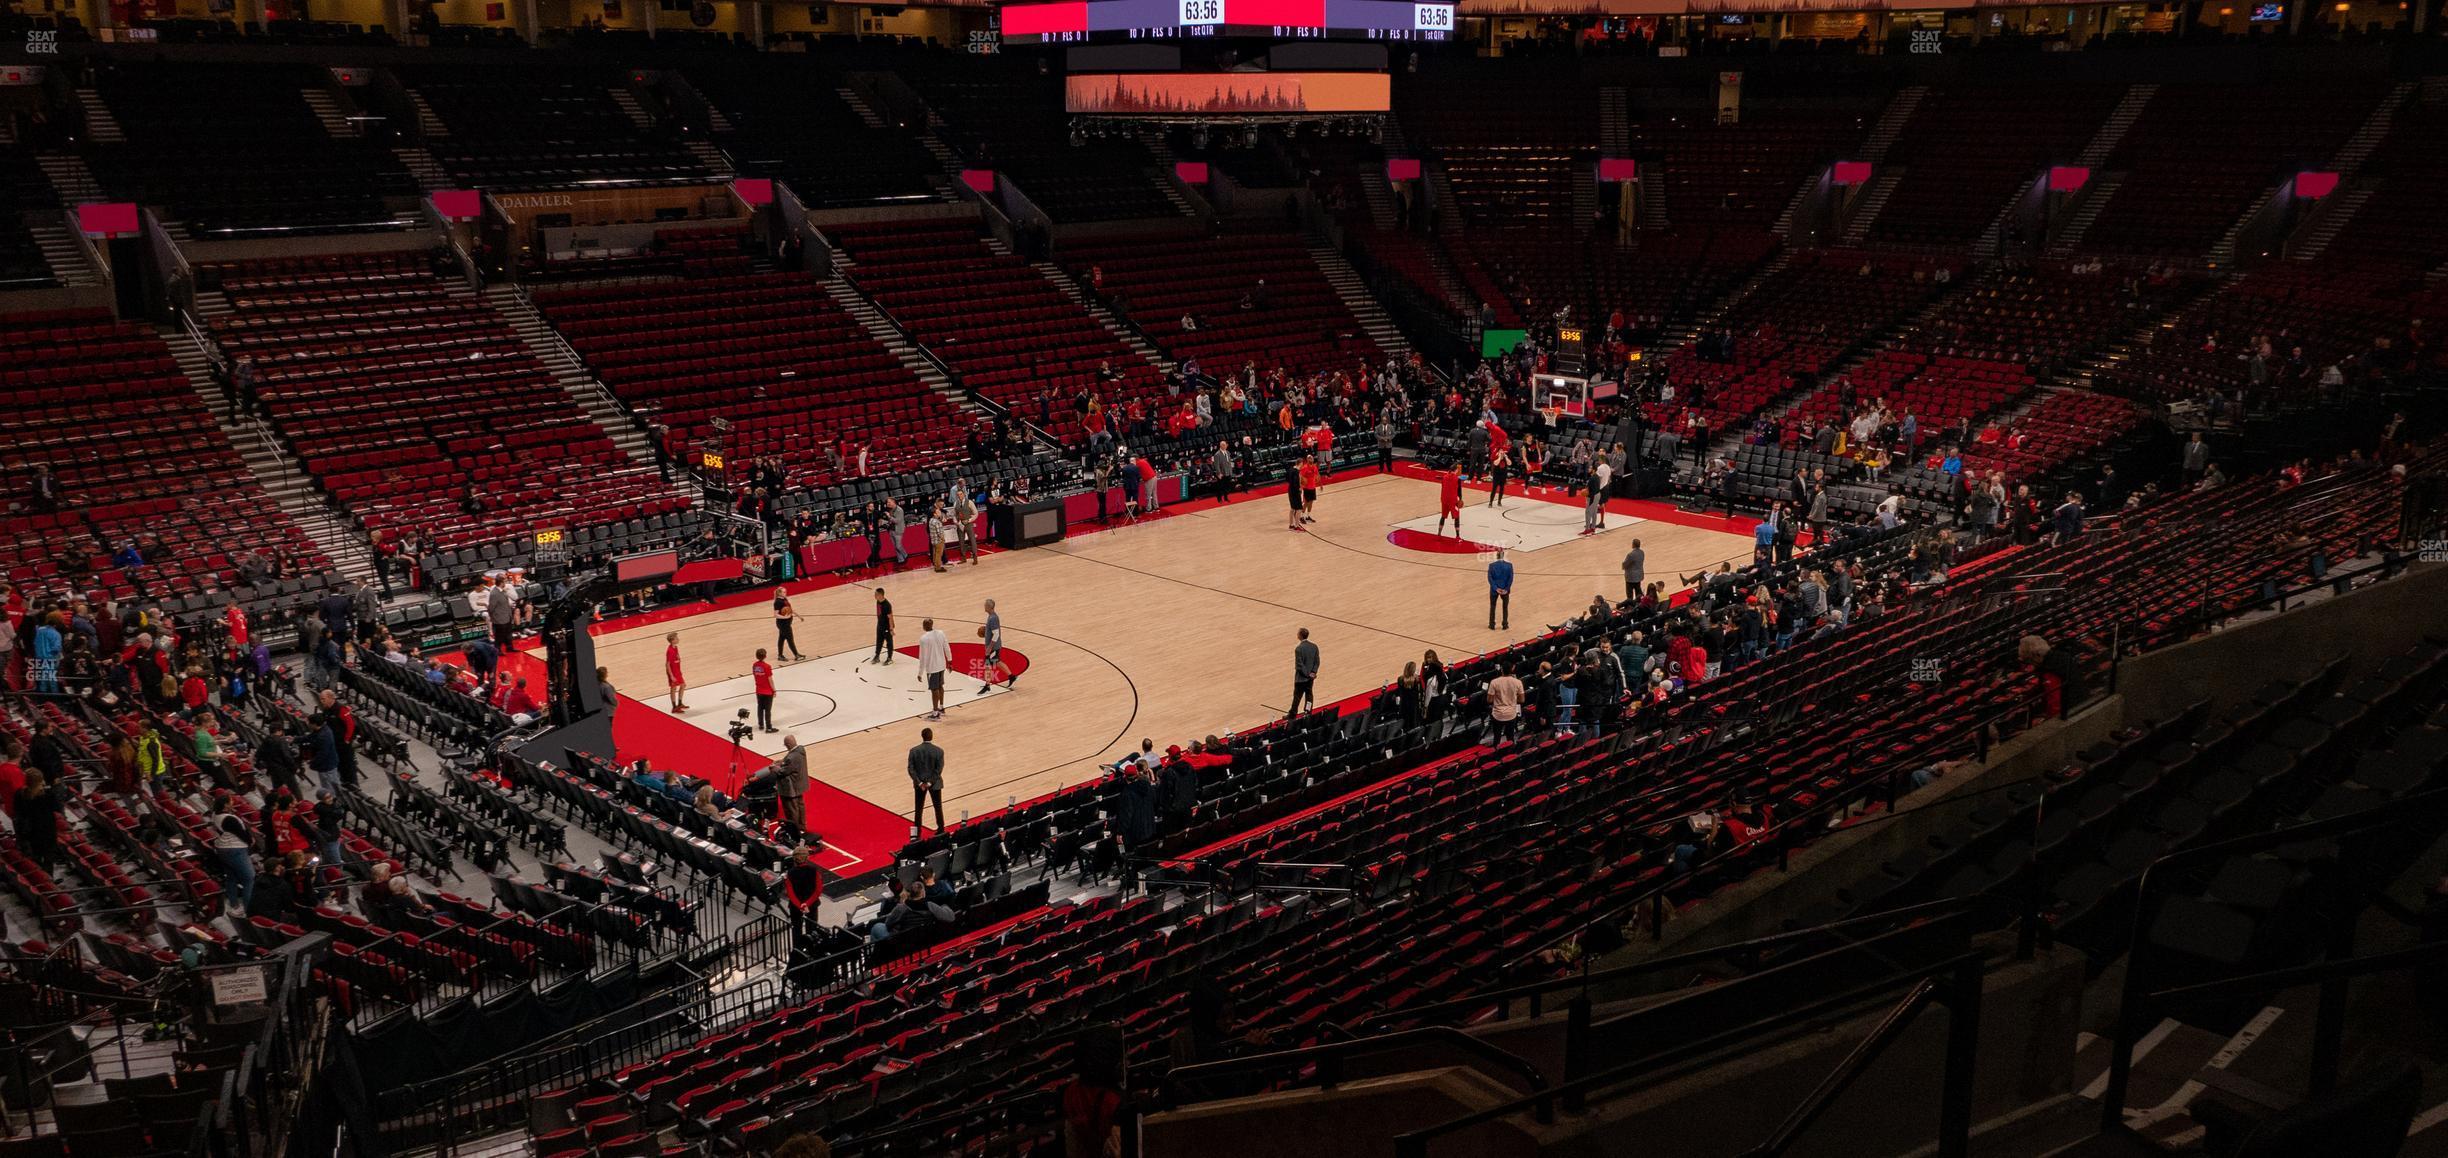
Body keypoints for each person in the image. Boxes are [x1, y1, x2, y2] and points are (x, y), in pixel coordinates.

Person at [908, 726, 946, 834]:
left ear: (922, 737)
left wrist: (920, 782)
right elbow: (938, 770)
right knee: (938, 807)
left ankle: (917, 833)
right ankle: (941, 829)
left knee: (918, 809)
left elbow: (911, 769)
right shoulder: (939, 751)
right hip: (935, 784)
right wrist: (929, 782)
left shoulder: (914, 751)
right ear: (931, 737)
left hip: (919, 784)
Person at [772, 734, 809, 831]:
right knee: (800, 806)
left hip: (791, 787)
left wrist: (774, 768)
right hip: (800, 784)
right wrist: (782, 761)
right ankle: (802, 826)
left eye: (785, 745)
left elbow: (783, 772)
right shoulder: (801, 749)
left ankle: (794, 829)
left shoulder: (791, 757)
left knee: (792, 809)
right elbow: (789, 760)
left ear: (788, 744)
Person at [917, 618, 951, 720]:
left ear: (924, 626)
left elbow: (922, 657)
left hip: (932, 667)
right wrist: (950, 661)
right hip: (941, 665)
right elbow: (947, 647)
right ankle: (941, 707)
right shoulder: (941, 633)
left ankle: (935, 713)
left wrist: (920, 672)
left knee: (934, 689)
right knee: (940, 686)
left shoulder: (923, 638)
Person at [1485, 664, 1525, 745]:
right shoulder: (1518, 682)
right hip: (1511, 714)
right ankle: (1511, 754)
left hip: (1498, 714)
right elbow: (1522, 700)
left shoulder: (1494, 682)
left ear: (1501, 670)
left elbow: (1489, 700)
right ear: (1512, 670)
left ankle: (1496, 754)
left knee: (1497, 737)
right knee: (1510, 737)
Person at [979, 598, 1011, 693]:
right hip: (994, 646)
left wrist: (989, 647)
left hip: (993, 647)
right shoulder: (992, 616)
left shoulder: (993, 618)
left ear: (989, 607)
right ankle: (1012, 676)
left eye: (985, 605)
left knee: (988, 665)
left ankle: (987, 685)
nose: (984, 607)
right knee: (997, 662)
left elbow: (996, 634)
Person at [1289, 628, 1319, 717]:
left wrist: (1307, 674)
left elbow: (1299, 665)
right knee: (1309, 695)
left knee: (1297, 697)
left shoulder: (1299, 649)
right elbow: (1317, 661)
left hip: (1301, 678)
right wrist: (1313, 672)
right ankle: (1308, 712)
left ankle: (1292, 714)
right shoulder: (1314, 646)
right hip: (1311, 678)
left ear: (1300, 636)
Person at [773, 588, 804, 661]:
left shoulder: (784, 599)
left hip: (786, 623)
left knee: (781, 639)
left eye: (785, 592)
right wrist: (785, 617)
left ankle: (780, 656)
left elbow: (790, 609)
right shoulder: (777, 602)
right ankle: (796, 655)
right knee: (790, 639)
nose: (785, 593)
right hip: (783, 624)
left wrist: (799, 616)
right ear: (779, 593)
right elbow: (775, 615)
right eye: (784, 592)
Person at [1488, 547, 1514, 631]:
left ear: (1497, 556)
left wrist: (1496, 588)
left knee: (1493, 607)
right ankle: (1505, 624)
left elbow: (1490, 578)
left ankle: (1492, 625)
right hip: (1505, 590)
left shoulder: (1492, 566)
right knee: (1505, 607)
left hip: (1494, 590)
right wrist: (1506, 588)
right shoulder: (1509, 566)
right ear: (1503, 556)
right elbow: (1510, 578)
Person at [751, 649, 777, 733]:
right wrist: (774, 690)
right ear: (765, 656)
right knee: (767, 710)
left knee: (760, 708)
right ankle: (769, 727)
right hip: (767, 692)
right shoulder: (767, 666)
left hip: (759, 690)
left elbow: (755, 675)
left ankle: (761, 724)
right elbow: (770, 680)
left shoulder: (754, 665)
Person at [1436, 465, 1465, 538]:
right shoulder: (1457, 479)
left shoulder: (1444, 477)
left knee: (1443, 516)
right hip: (1453, 500)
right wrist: (1460, 499)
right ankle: (1457, 535)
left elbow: (1443, 487)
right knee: (1457, 517)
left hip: (1444, 499)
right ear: (1456, 470)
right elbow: (1459, 491)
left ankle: (1439, 533)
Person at [870, 587, 896, 664]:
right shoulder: (878, 601)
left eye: (876, 594)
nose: (874, 595)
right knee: (879, 641)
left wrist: (891, 629)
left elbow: (890, 617)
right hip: (880, 625)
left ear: (880, 595)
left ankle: (889, 658)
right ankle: (877, 656)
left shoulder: (887, 605)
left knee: (889, 642)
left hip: (886, 627)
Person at [665, 632, 688, 712]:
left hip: (677, 671)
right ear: (672, 640)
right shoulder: (669, 651)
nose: (678, 639)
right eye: (676, 638)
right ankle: (674, 707)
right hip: (673, 672)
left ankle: (680, 704)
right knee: (674, 688)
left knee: (683, 685)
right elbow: (667, 664)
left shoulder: (676, 648)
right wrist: (671, 676)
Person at [1623, 539, 1645, 604]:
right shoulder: (1642, 552)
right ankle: (1639, 604)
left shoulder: (1630, 555)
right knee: (1638, 592)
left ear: (1633, 544)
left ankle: (1631, 607)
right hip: (1639, 575)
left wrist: (1623, 566)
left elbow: (1625, 564)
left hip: (1631, 577)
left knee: (1629, 594)